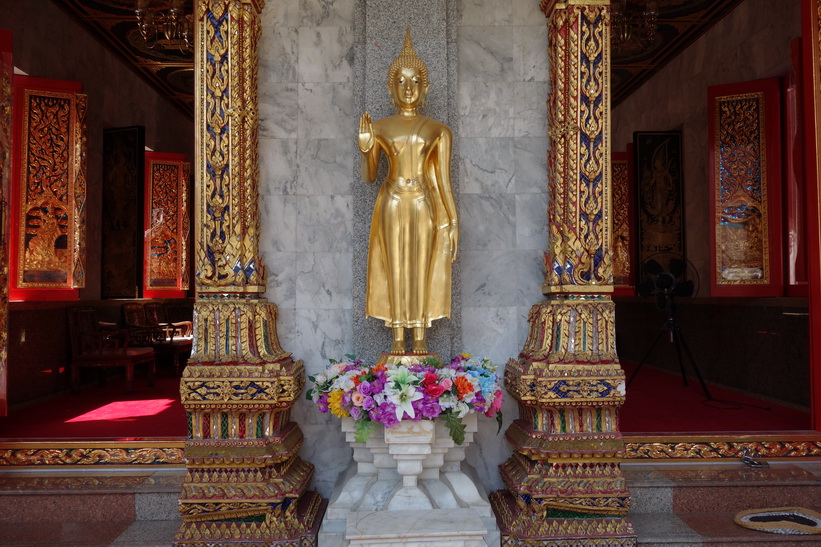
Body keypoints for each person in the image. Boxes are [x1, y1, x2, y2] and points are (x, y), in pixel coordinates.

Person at [358, 28, 458, 355]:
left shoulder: (438, 130)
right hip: (391, 201)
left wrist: (453, 223)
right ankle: (397, 338)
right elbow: (370, 176)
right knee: (396, 266)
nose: (409, 88)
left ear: (425, 87)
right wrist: (366, 149)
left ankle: (420, 338)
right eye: (401, 81)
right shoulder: (380, 127)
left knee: (421, 267)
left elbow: (443, 181)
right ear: (391, 87)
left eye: (415, 81)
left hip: (424, 204)